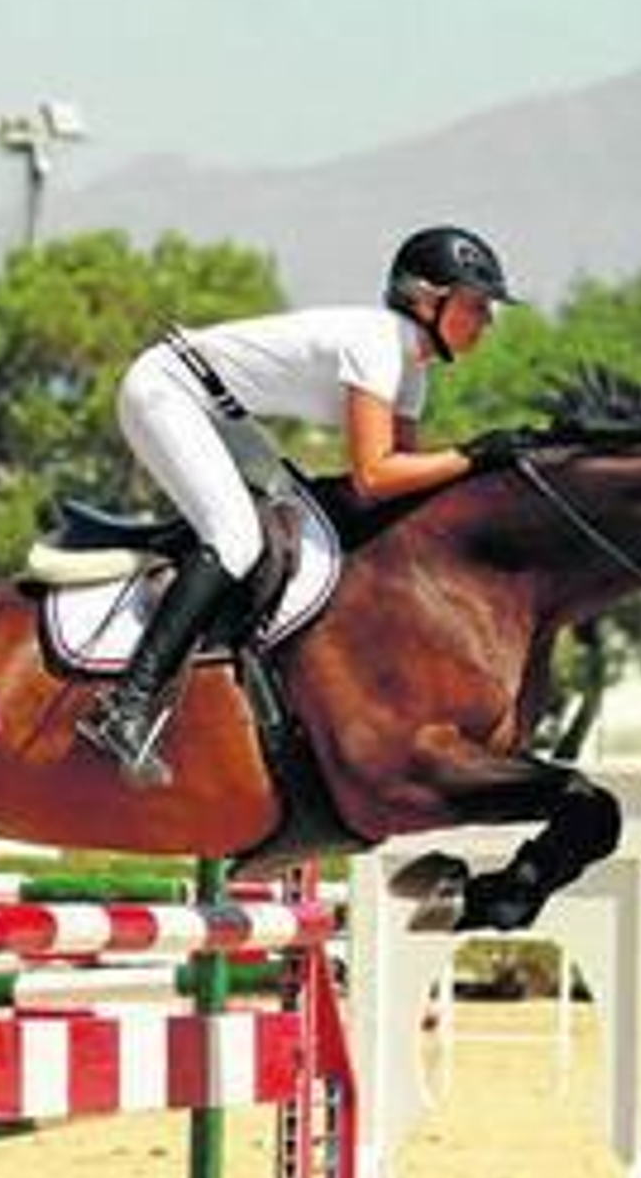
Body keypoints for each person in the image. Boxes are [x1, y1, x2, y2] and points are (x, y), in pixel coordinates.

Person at [76, 224, 520, 784]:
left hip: (222, 414)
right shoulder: (379, 345)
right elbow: (374, 475)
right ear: (426, 300)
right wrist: (473, 457)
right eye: (476, 304)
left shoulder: (413, 372)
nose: (487, 320)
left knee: (299, 517)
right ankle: (128, 705)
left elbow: (401, 483)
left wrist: (484, 471)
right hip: (167, 391)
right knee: (237, 538)